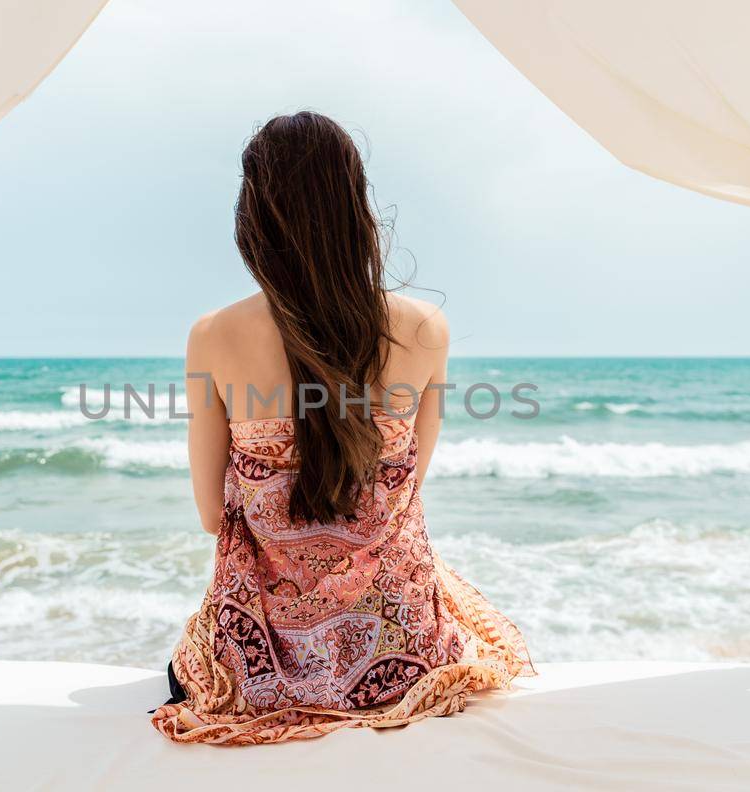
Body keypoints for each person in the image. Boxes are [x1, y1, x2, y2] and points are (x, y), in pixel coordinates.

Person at [151, 112, 530, 746]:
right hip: (404, 660)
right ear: (358, 208)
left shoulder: (214, 336)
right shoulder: (423, 330)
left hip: (260, 675)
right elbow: (402, 496)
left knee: (186, 662)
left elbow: (213, 517)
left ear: (255, 217)